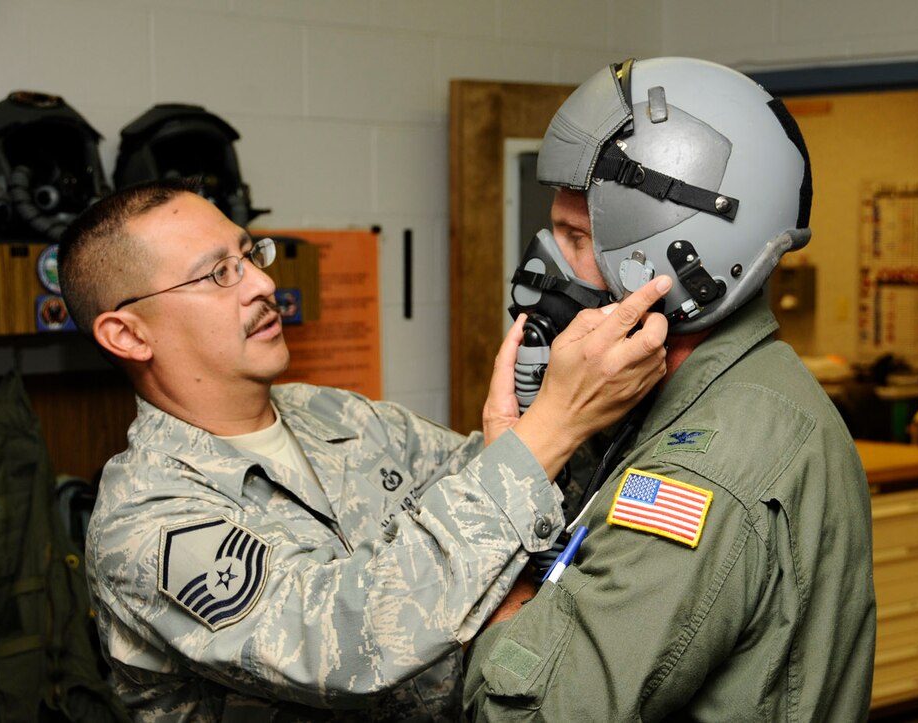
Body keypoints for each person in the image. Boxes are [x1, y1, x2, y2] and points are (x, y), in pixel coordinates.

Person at [55, 176, 672, 720]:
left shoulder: (337, 414)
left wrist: (575, 410)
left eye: (250, 255)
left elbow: (520, 497)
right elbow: (343, 642)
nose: (264, 283)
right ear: (128, 334)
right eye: (219, 273)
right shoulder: (143, 525)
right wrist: (551, 430)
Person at [463, 57, 877, 721]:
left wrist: (499, 559)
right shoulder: (729, 394)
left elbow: (524, 712)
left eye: (574, 237)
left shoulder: (701, 471)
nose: (544, 261)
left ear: (680, 261)